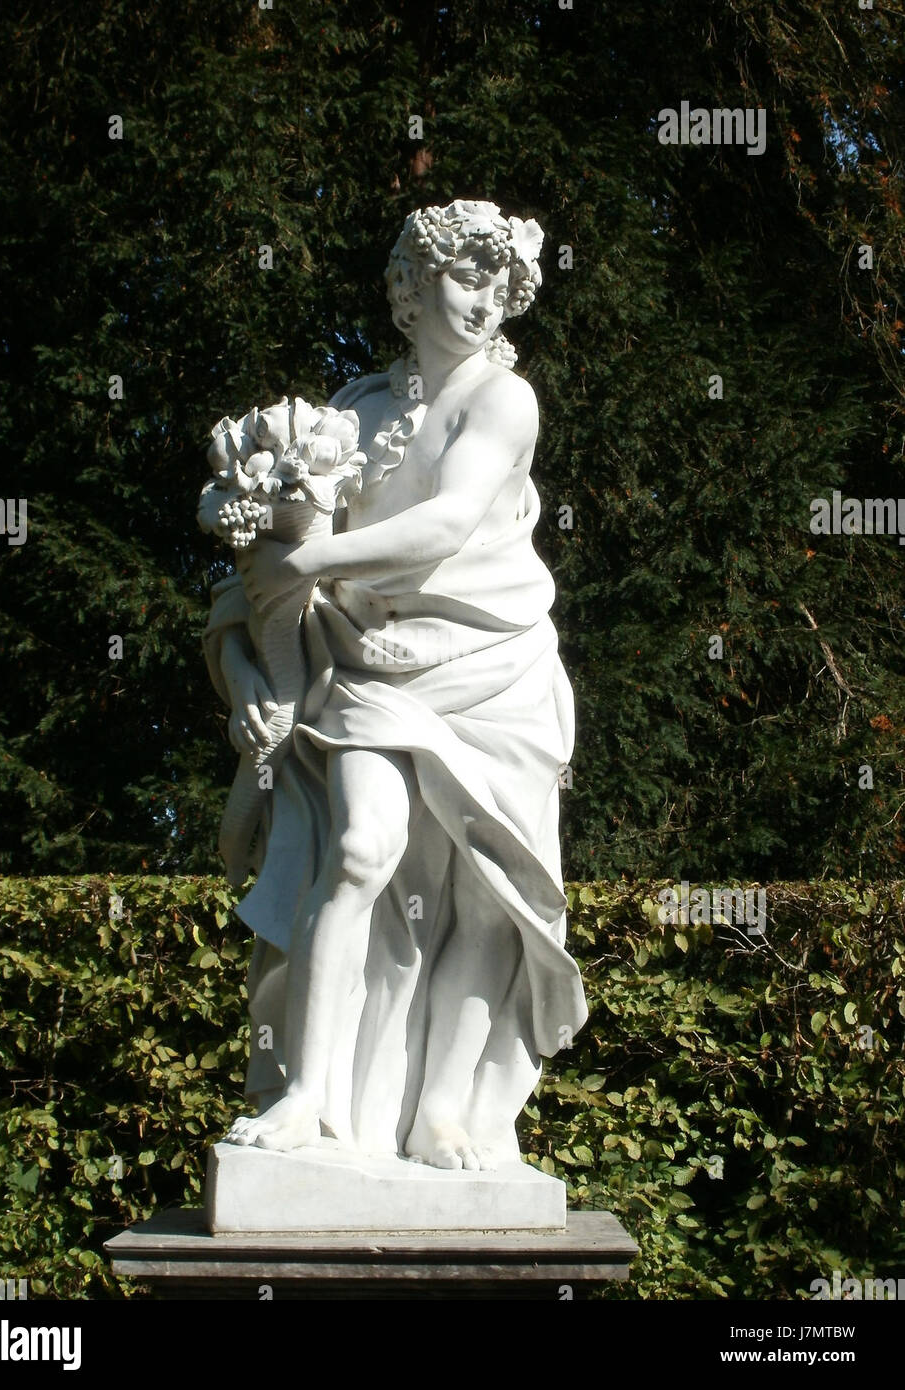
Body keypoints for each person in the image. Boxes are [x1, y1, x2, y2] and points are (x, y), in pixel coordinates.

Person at [203, 200, 587, 1169]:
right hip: (372, 672)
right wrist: (247, 661)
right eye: (463, 276)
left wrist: (319, 557)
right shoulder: (354, 413)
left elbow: (447, 523)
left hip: (498, 673)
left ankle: (442, 1111)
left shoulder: (504, 401)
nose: (483, 299)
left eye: (498, 283)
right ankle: (307, 1099)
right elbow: (255, 568)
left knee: (492, 896)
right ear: (411, 289)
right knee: (365, 845)